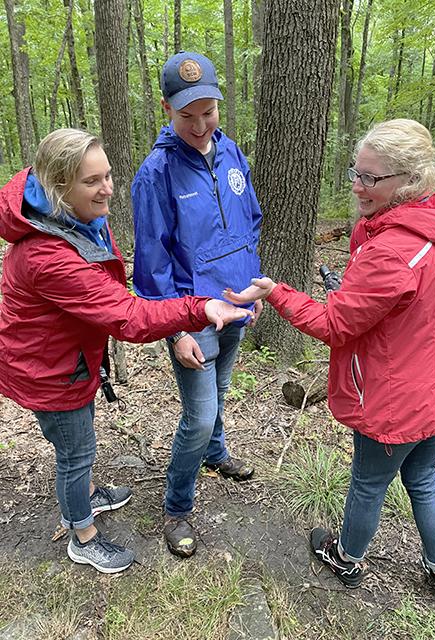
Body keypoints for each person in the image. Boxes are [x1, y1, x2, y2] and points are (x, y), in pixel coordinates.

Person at [224, 119, 435, 611]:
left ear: (407, 181)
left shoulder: (395, 250)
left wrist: (277, 291)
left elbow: (334, 325)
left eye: (369, 178)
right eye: (354, 173)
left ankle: (347, 556)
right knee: (423, 478)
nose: (357, 186)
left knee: (368, 483)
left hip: (398, 399)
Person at [0, 128, 252, 574]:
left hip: (71, 357)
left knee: (80, 447)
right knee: (74, 454)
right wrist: (200, 308)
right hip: (50, 372)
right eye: (92, 181)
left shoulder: (72, 214)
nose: (108, 188)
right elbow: (129, 317)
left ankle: (88, 495)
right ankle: (82, 533)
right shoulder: (47, 256)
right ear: (60, 187)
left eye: (107, 175)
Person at [132, 51, 263, 558]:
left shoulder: (231, 152)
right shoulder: (156, 172)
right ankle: (177, 505)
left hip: (236, 302)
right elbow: (152, 263)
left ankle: (216, 454)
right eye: (187, 115)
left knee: (221, 389)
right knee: (200, 412)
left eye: (208, 111)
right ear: (167, 109)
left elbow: (250, 219)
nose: (200, 124)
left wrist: (252, 284)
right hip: (193, 312)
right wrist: (178, 329)